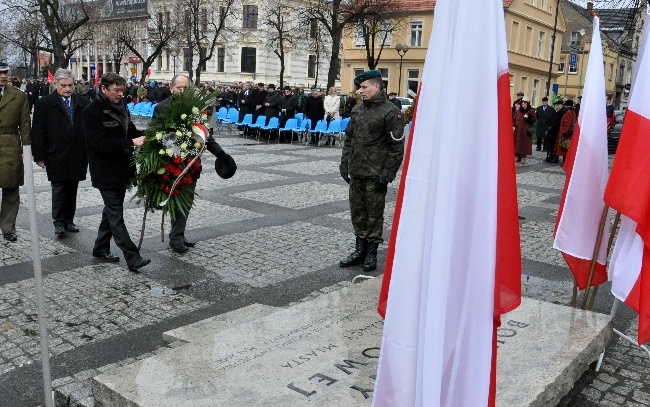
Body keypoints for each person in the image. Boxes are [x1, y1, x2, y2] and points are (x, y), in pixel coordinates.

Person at [153, 74, 235, 254]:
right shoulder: (162, 108)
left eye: (186, 88)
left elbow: (205, 136)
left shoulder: (195, 109)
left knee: (186, 201)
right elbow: (157, 135)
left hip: (192, 165)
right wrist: (176, 149)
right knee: (176, 201)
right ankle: (175, 239)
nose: (182, 91)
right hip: (172, 165)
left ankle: (179, 235)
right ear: (171, 88)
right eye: (179, 88)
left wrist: (221, 154)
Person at [82, 72, 150, 272]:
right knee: (115, 215)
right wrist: (130, 143)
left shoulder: (122, 107)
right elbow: (99, 143)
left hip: (122, 169)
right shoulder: (92, 111)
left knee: (110, 212)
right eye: (116, 90)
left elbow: (132, 132)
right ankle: (132, 256)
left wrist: (149, 136)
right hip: (105, 171)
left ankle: (100, 248)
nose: (121, 94)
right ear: (104, 89)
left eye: (123, 90)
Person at [339, 70, 405, 272]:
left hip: (376, 174)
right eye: (360, 87)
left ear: (376, 87)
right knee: (357, 213)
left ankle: (371, 252)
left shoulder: (390, 112)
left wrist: (386, 175)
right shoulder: (358, 110)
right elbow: (349, 139)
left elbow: (396, 149)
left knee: (374, 214)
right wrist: (344, 164)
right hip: (357, 171)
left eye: (364, 87)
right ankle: (359, 250)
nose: (361, 91)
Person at [31, 68, 91, 237]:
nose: (67, 89)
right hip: (55, 153)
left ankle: (69, 220)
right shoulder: (44, 104)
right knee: (58, 188)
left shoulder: (83, 103)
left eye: (70, 85)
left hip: (77, 153)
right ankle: (58, 221)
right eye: (63, 85)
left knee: (72, 187)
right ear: (55, 84)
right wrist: (39, 156)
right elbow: (38, 131)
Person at [0, 62, 31, 242]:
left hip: (11, 145)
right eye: (0, 73)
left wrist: (26, 150)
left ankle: (8, 226)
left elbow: (25, 125)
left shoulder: (18, 97)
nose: (3, 76)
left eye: (5, 73)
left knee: (11, 189)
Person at [513, 96, 536, 165]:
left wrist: (528, 118)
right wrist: (513, 125)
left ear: (527, 103)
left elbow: (534, 119)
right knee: (517, 142)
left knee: (524, 143)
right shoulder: (519, 111)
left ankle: (523, 156)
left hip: (525, 130)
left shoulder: (530, 110)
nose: (523, 104)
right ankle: (517, 155)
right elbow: (514, 119)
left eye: (524, 102)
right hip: (518, 129)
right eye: (522, 102)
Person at [554, 99, 577, 165]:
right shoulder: (573, 112)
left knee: (565, 148)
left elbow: (567, 123)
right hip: (569, 133)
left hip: (566, 133)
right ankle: (566, 162)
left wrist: (565, 132)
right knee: (566, 148)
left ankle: (565, 162)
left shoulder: (568, 112)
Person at [545, 99, 565, 163]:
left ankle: (555, 157)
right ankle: (550, 156)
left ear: (560, 105)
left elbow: (558, 122)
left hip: (557, 131)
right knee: (551, 144)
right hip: (552, 131)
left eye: (557, 105)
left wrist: (552, 127)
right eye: (555, 105)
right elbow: (550, 119)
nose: (555, 106)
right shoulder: (554, 112)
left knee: (555, 145)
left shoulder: (562, 113)